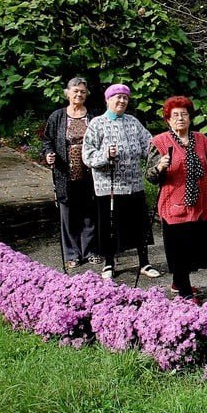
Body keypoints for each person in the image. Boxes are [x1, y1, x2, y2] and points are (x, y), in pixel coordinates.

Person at [147, 95, 207, 300]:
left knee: (193, 248)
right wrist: (160, 166)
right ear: (167, 119)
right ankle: (185, 294)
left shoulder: (201, 140)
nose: (180, 118)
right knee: (180, 250)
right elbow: (150, 176)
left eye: (184, 114)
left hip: (198, 205)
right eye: (175, 115)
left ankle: (178, 283)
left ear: (190, 117)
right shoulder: (159, 142)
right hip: (173, 206)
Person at [81, 83, 160, 281]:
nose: (122, 101)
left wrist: (161, 157)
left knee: (139, 225)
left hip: (134, 184)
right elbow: (87, 155)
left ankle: (144, 263)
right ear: (108, 100)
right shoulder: (96, 124)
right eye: (118, 97)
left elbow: (149, 146)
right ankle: (109, 263)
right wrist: (105, 155)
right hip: (109, 186)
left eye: (125, 98)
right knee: (109, 226)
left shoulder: (133, 122)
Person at [41, 76, 101, 270]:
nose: (79, 94)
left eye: (83, 91)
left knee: (90, 212)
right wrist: (49, 154)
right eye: (75, 91)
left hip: (90, 172)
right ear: (67, 93)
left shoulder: (93, 115)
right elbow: (47, 140)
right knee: (68, 213)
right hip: (65, 172)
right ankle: (72, 254)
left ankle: (90, 251)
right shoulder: (57, 116)